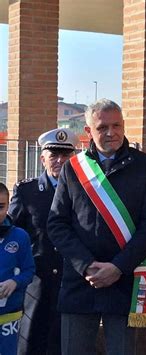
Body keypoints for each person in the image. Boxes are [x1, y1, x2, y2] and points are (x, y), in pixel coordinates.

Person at [47, 99, 146, 355]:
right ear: (88, 131)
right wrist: (85, 264)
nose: (111, 133)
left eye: (116, 126)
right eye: (102, 127)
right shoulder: (73, 168)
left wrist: (118, 267)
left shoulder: (145, 166)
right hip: (81, 280)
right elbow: (57, 224)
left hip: (125, 279)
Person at [9, 128, 78, 355]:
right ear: (42, 158)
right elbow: (12, 233)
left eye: (65, 155)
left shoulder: (84, 192)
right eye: (54, 154)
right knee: (31, 342)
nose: (60, 160)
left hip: (71, 280)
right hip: (37, 281)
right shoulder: (26, 191)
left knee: (64, 343)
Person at [0, 182, 35, 355]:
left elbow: (29, 271)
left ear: (8, 206)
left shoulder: (20, 237)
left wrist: (15, 282)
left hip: (9, 316)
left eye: (0, 207)